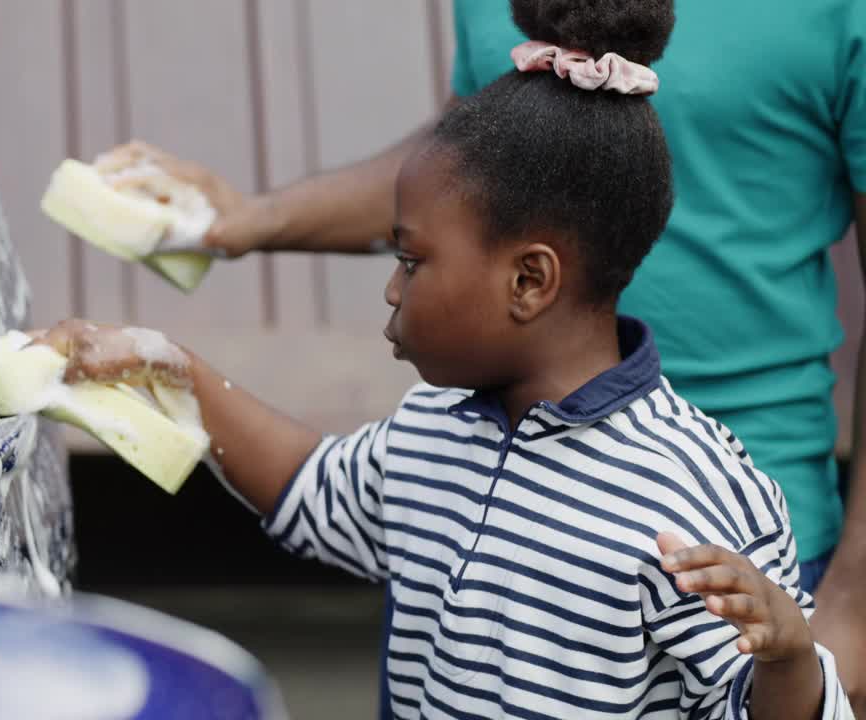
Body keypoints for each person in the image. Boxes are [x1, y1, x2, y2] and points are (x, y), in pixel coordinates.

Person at [46, 1, 854, 716]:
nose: (392, 291)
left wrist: (793, 657)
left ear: (530, 280)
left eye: (411, 260)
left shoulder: (700, 501)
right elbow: (310, 485)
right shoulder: (431, 430)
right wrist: (174, 371)